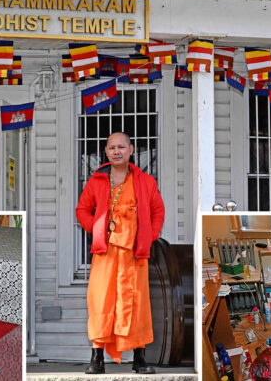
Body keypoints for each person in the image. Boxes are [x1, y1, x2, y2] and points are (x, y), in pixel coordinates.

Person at [76, 132, 165, 375]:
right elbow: (82, 210)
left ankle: (139, 358)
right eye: (112, 147)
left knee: (136, 304)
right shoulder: (96, 181)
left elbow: (158, 210)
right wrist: (96, 227)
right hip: (105, 251)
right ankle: (97, 358)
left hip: (135, 253)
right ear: (106, 152)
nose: (117, 151)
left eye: (121, 147)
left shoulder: (146, 181)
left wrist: (150, 234)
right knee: (101, 302)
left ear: (131, 149)